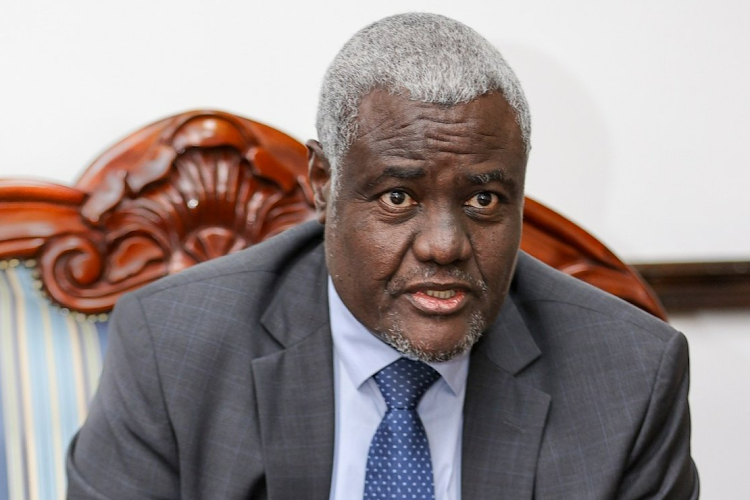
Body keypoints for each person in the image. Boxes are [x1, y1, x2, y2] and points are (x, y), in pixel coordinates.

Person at [66, 13, 699, 500]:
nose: (445, 246)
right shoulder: (172, 346)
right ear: (322, 181)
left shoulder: (628, 376)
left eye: (483, 198)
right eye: (398, 196)